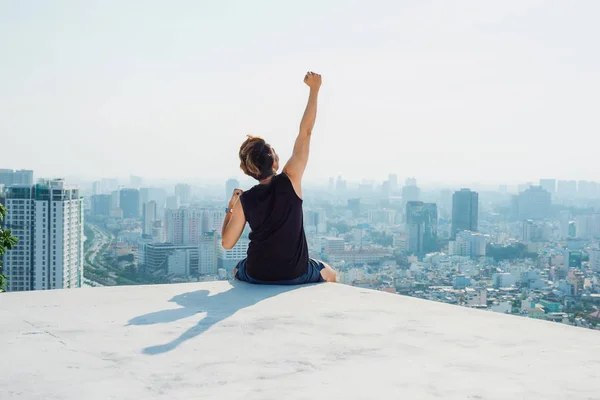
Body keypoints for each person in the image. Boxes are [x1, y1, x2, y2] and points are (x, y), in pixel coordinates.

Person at [221, 71, 337, 285]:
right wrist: (314, 90)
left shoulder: (244, 200)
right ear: (275, 163)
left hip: (257, 273)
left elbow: (227, 244)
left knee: (238, 269)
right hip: (296, 273)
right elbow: (306, 133)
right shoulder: (290, 178)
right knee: (330, 272)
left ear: (250, 170)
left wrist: (230, 208)